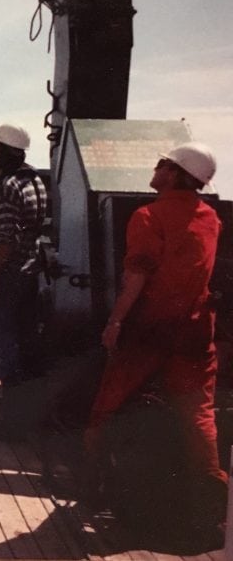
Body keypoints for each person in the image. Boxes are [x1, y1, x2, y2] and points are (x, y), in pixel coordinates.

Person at [84, 142, 226, 536]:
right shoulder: (211, 218)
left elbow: (138, 277)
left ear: (176, 174)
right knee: (199, 416)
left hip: (150, 328)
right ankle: (213, 502)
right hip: (196, 330)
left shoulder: (148, 216)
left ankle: (90, 487)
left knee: (105, 407)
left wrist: (114, 323)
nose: (156, 167)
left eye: (163, 163)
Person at [0, 123, 47, 440]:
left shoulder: (6, 187)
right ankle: (30, 419)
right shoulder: (34, 181)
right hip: (29, 273)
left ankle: (13, 425)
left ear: (3, 150)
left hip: (5, 275)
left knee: (5, 352)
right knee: (25, 346)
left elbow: (5, 236)